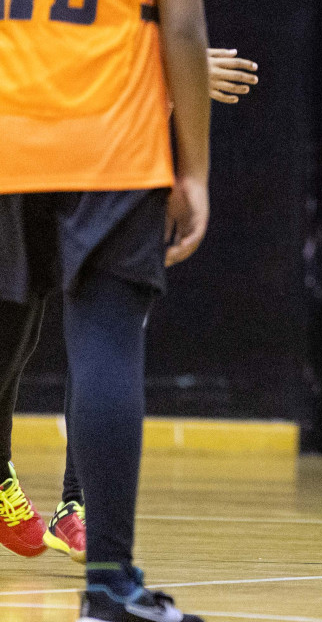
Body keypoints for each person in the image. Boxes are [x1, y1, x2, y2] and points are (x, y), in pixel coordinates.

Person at [0, 0, 214, 622]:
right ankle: (111, 588)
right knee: (103, 353)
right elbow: (181, 28)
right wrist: (194, 171)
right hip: (112, 150)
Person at [20, 49, 258, 564]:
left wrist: (174, 77)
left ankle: (75, 509)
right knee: (18, 329)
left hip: (100, 159)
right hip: (26, 146)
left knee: (97, 336)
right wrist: (176, 67)